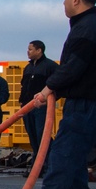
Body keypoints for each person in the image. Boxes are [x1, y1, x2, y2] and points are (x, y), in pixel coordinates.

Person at [13, 0, 96, 189]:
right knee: (74, 158)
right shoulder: (90, 25)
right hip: (87, 103)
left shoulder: (88, 28)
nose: (64, 3)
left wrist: (46, 90)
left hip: (87, 105)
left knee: (62, 155)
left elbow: (73, 68)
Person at [19, 40, 58, 172]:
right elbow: (24, 87)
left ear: (39, 50)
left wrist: (48, 101)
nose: (28, 52)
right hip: (27, 107)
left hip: (41, 108)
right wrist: (21, 102)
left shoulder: (50, 66)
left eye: (30, 49)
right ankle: (38, 165)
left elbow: (58, 86)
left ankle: (48, 165)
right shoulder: (28, 68)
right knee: (32, 136)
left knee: (42, 135)